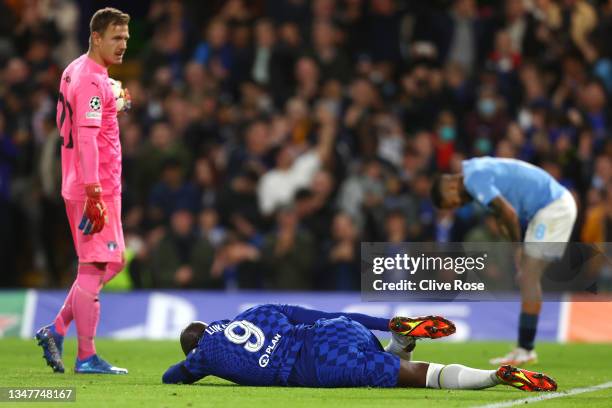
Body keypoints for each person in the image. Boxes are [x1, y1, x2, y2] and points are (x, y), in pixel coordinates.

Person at [35, 7, 131, 374]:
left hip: (94, 185)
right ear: (96, 37)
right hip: (95, 187)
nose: (122, 45)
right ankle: (86, 356)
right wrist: (94, 192)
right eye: (115, 38)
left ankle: (56, 329)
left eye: (125, 38)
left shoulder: (76, 69)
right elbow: (87, 138)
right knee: (94, 265)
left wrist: (115, 103)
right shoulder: (92, 80)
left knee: (114, 260)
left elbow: (88, 116)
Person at [162, 304, 557, 392]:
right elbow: (322, 311)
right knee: (383, 354)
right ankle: (399, 336)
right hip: (334, 330)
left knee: (422, 378)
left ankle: (496, 376)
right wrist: (385, 321)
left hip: (320, 367)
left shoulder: (203, 355)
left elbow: (171, 378)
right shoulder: (257, 311)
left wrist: (193, 359)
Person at [430, 156, 577, 365]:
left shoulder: (473, 180)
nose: (458, 205)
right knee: (527, 276)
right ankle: (524, 348)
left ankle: (525, 348)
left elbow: (509, 213)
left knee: (528, 276)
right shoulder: (473, 168)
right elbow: (501, 215)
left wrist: (516, 249)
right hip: (550, 207)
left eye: (452, 201)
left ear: (452, 185)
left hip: (554, 207)